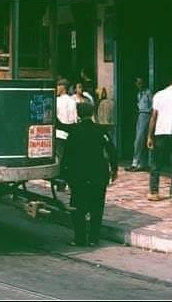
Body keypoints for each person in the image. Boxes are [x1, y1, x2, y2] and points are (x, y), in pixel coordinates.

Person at [61, 102, 118, 247]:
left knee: (77, 208)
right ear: (92, 113)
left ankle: (79, 238)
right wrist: (114, 169)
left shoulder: (74, 131)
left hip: (79, 175)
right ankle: (93, 239)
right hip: (99, 175)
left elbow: (67, 155)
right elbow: (111, 150)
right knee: (97, 208)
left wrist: (64, 174)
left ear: (78, 114)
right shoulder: (100, 130)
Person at [146, 69, 172, 203]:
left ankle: (154, 191)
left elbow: (153, 117)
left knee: (156, 163)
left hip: (160, 133)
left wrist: (149, 136)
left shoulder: (159, 95)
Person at [126, 77, 153, 172]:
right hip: (140, 114)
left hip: (147, 115)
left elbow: (152, 105)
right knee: (138, 139)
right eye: (138, 83)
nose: (139, 85)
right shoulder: (139, 94)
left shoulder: (148, 93)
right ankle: (139, 162)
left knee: (141, 139)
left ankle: (140, 162)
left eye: (140, 83)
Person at [54, 79, 77, 192]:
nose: (56, 88)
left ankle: (60, 182)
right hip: (70, 133)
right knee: (68, 159)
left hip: (59, 133)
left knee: (59, 158)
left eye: (58, 86)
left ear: (63, 87)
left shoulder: (57, 101)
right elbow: (74, 118)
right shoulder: (72, 101)